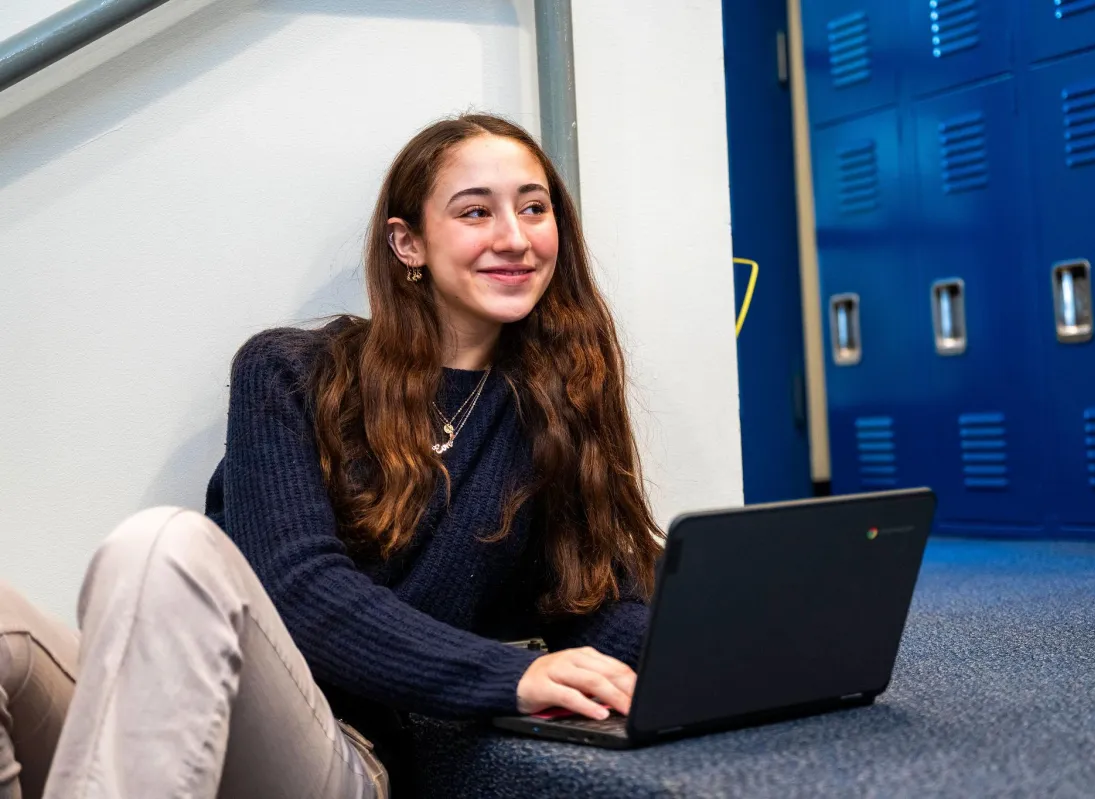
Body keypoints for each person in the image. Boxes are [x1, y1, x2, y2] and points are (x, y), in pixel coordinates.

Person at [0, 112, 662, 798]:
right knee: (115, 567)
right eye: (476, 211)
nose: (516, 237)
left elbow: (600, 600)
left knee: (159, 541)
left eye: (534, 207)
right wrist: (507, 675)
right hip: (191, 698)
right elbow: (297, 590)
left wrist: (717, 658)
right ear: (408, 243)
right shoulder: (289, 370)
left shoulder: (555, 406)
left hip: (343, 744)